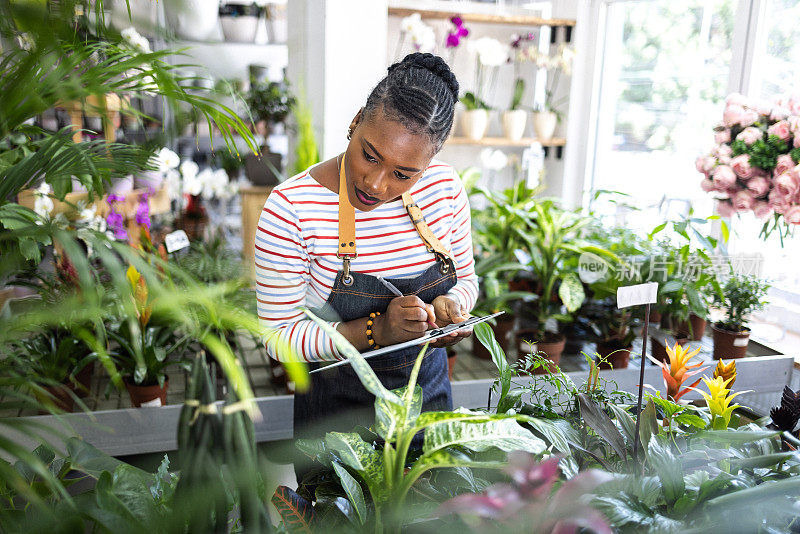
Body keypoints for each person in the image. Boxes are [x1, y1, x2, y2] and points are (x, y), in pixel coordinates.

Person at [255, 52, 478, 448]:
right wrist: (377, 331)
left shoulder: (444, 190)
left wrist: (450, 307)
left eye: (403, 174)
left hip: (427, 406)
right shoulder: (293, 208)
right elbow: (278, 336)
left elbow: (467, 280)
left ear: (428, 164)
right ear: (356, 120)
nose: (376, 184)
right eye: (369, 155)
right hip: (336, 424)